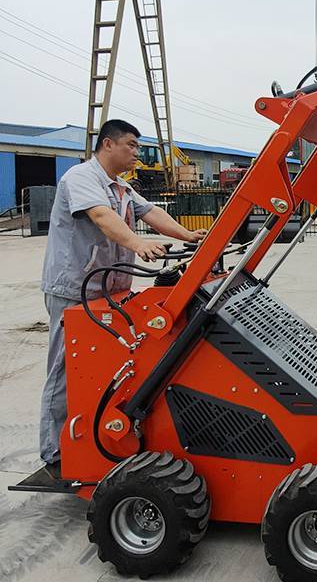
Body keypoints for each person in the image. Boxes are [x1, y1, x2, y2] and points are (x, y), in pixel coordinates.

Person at [38, 119, 208, 481]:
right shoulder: (81, 179)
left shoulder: (122, 188)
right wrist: (137, 243)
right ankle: (55, 452)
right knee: (65, 368)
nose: (136, 152)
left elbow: (153, 214)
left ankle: (96, 437)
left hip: (110, 290)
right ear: (108, 145)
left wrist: (190, 235)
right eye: (131, 145)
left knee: (109, 368)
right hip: (74, 289)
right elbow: (101, 217)